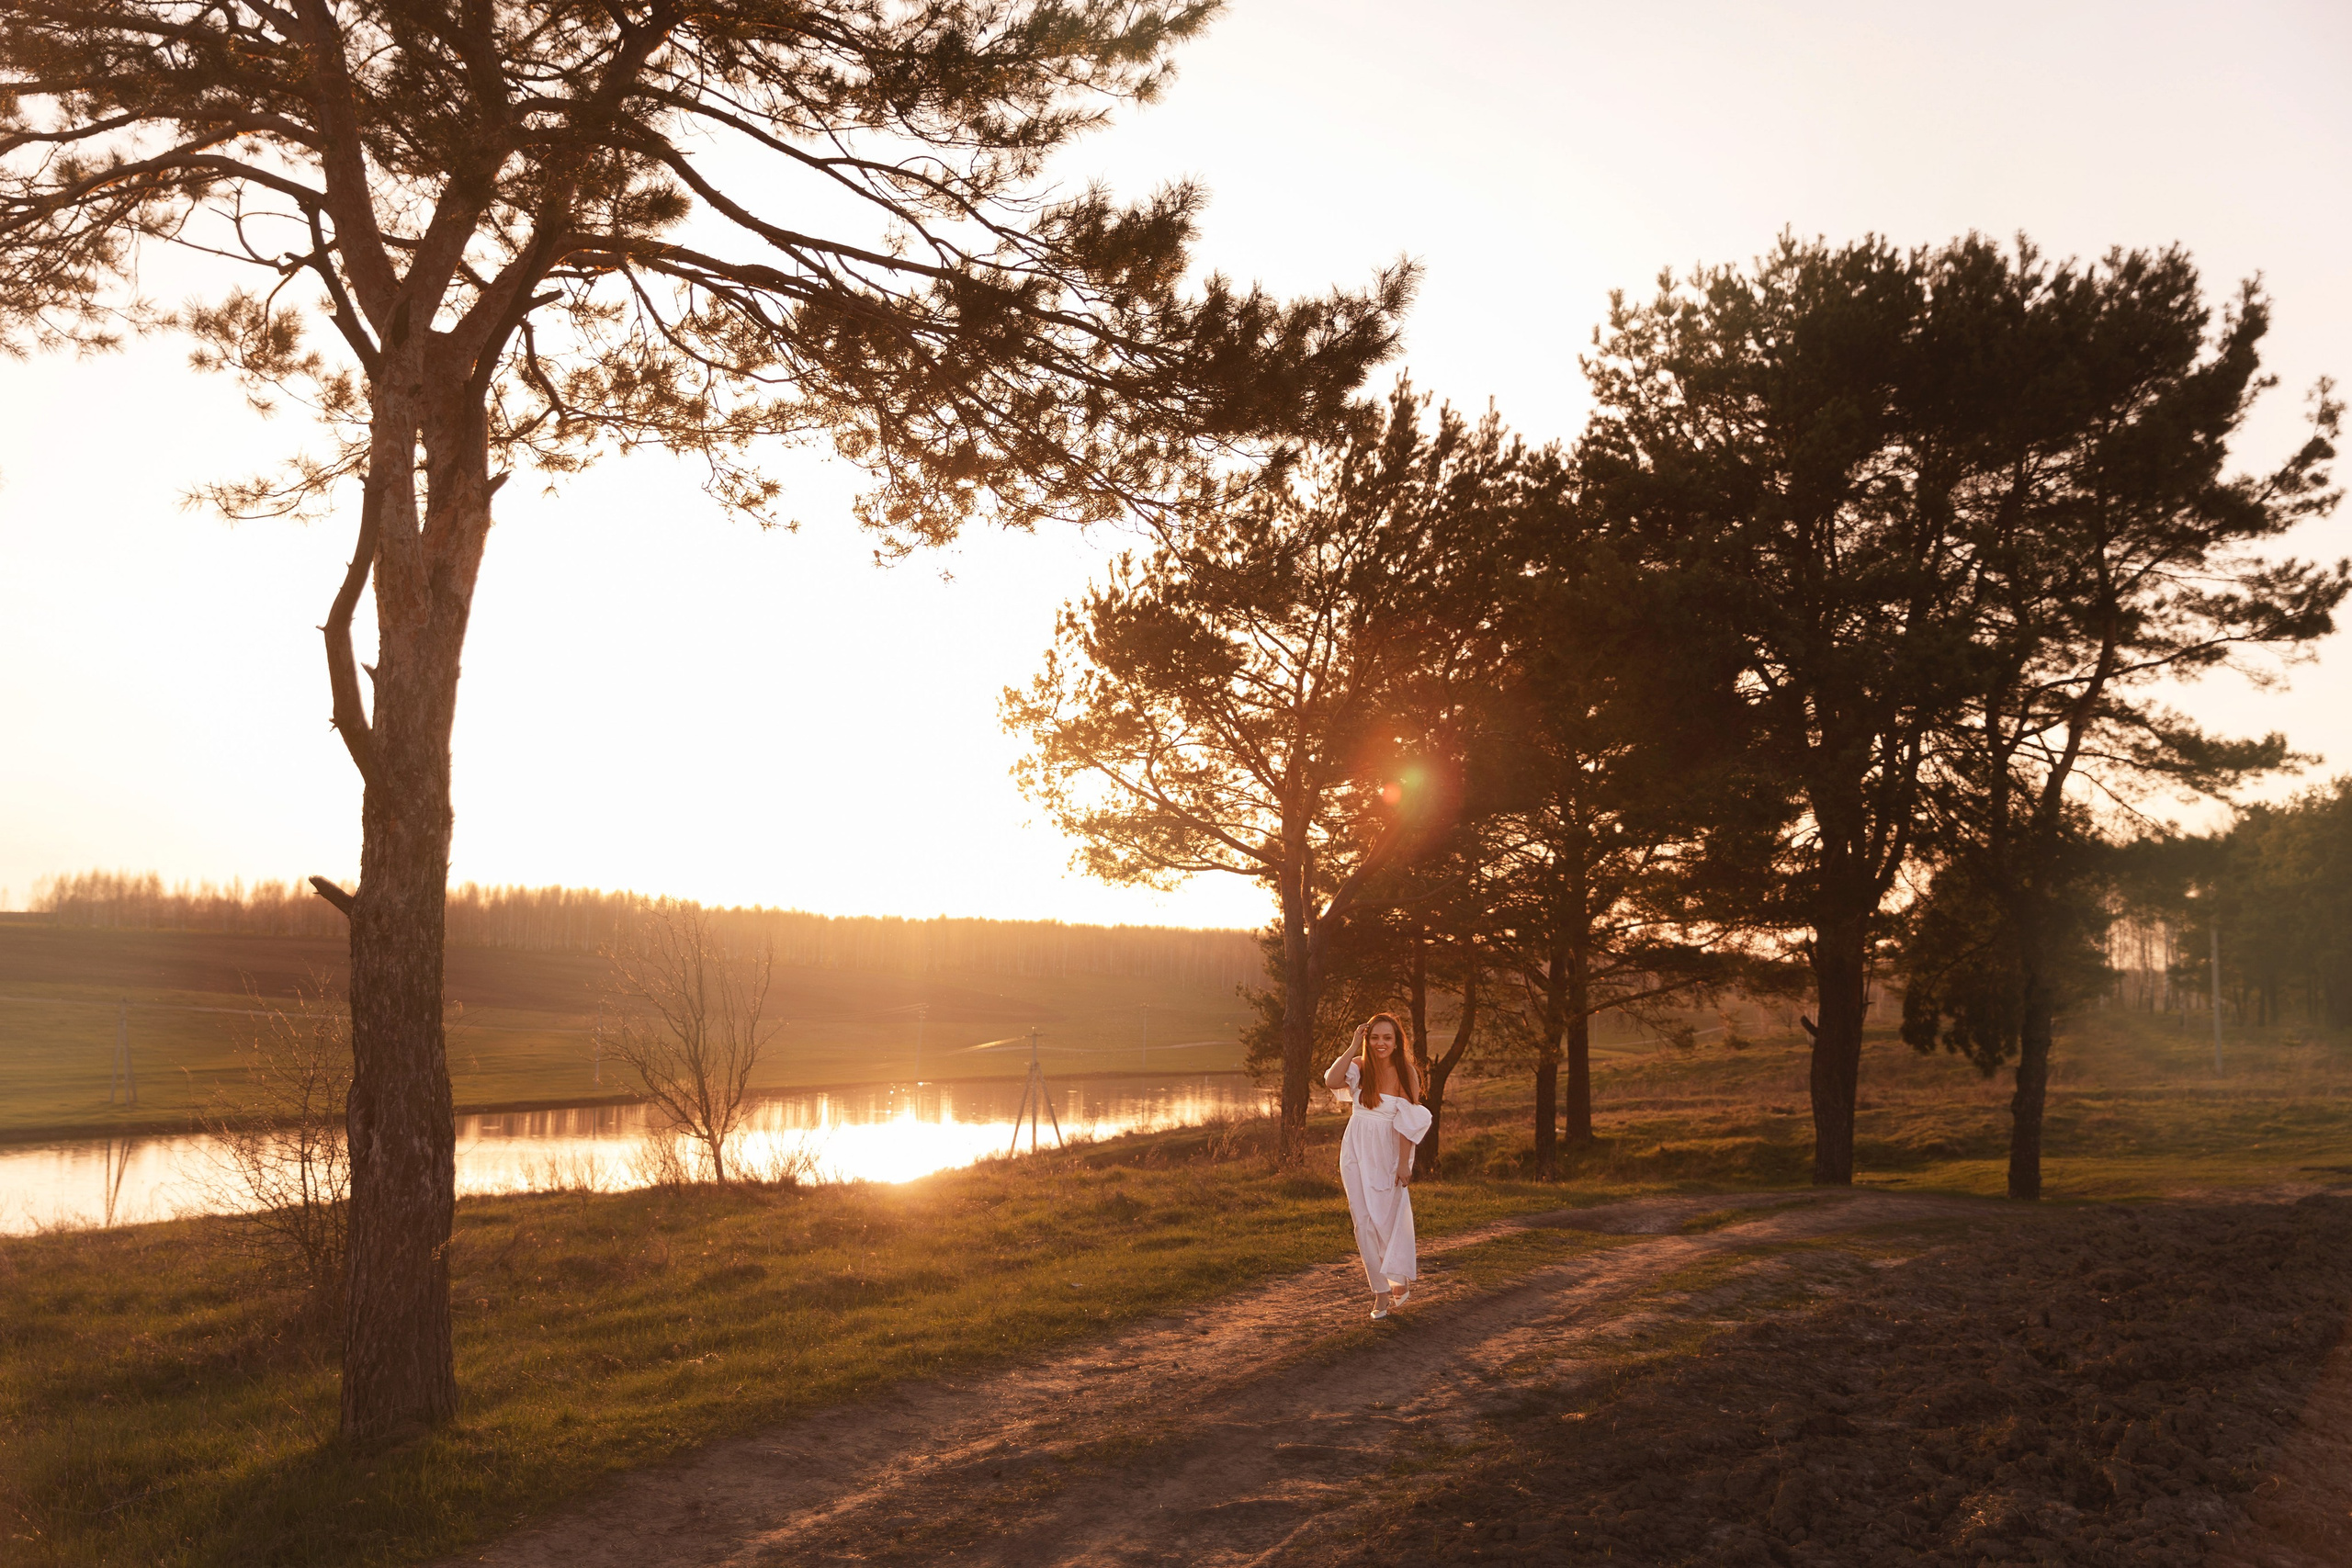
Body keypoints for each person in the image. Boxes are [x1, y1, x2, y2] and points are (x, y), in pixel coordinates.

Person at [1322, 1011, 1431, 1319]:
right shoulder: (1358, 1066)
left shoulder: (1406, 1072)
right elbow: (1331, 1080)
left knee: (1387, 1216)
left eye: (1387, 1037)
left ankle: (1398, 1277)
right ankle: (1380, 1292)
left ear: (1397, 1042)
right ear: (1368, 1040)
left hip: (1389, 1150)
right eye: (1375, 1037)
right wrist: (1353, 1044)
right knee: (1363, 1221)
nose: (1381, 1043)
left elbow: (1407, 1121)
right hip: (1355, 1148)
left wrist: (1402, 1164)